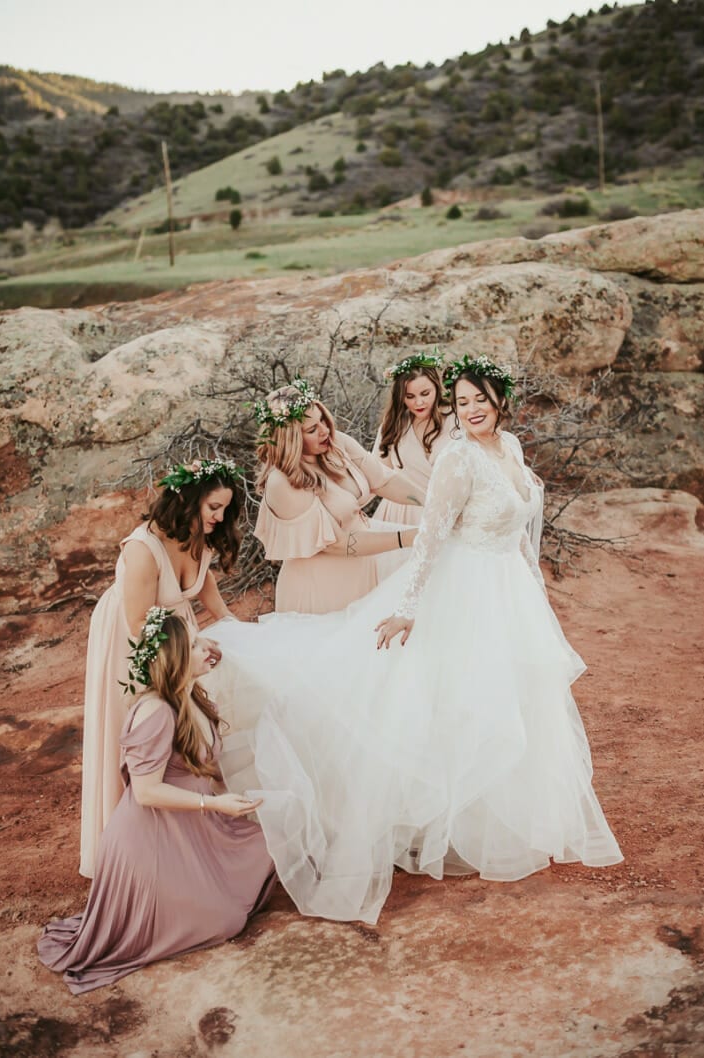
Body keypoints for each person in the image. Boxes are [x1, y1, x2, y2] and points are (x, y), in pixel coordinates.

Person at [209, 354, 623, 925]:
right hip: (339, 577)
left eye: (481, 400)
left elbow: (404, 487)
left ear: (501, 402)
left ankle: (498, 818)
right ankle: (348, 810)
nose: (472, 410)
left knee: (504, 699)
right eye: (464, 402)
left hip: (500, 590)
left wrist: (531, 585)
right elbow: (403, 540)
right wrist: (409, 603)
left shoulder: (505, 450)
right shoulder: (295, 481)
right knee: (357, 686)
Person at [39, 611, 275, 995]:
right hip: (153, 842)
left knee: (264, 850)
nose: (206, 649)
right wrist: (215, 806)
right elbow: (146, 792)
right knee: (226, 919)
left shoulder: (191, 696)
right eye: (196, 645)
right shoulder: (156, 712)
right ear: (177, 657)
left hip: (192, 826)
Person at [80, 457, 242, 879]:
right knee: (148, 734)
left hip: (179, 634)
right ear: (188, 501)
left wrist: (235, 628)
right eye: (213, 508)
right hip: (138, 644)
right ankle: (129, 850)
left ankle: (187, 840)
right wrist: (189, 651)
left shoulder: (198, 537)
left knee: (192, 725)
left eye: (225, 509)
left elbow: (208, 591)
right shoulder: (142, 549)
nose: (219, 517)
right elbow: (138, 624)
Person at [252, 378, 423, 614]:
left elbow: (383, 480)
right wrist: (409, 538)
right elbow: (335, 544)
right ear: (289, 438)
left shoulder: (337, 443)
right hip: (320, 589)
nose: (324, 430)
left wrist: (433, 502)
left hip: (362, 570)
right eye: (312, 429)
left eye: (322, 419)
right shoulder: (281, 482)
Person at [372, 352, 454, 526]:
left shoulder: (456, 419)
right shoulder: (393, 425)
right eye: (410, 397)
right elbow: (376, 475)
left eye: (425, 393)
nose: (419, 403)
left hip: (446, 513)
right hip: (399, 515)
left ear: (437, 387)